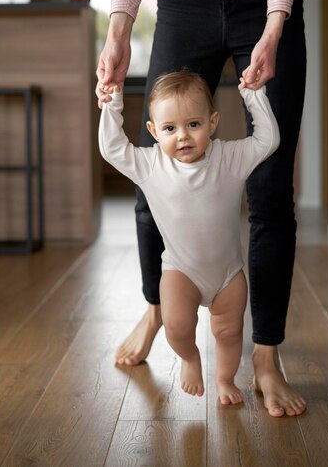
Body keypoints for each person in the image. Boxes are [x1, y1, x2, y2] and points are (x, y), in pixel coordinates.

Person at [96, 0, 317, 417]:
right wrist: (119, 29)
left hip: (266, 2)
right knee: (156, 172)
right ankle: (155, 307)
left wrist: (275, 24)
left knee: (269, 189)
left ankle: (266, 359)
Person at [98, 70, 280, 405]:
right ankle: (190, 358)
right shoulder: (150, 164)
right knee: (177, 326)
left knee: (229, 333)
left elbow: (267, 141)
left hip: (228, 274)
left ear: (212, 123)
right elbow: (112, 149)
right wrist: (112, 105)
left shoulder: (229, 157)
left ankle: (225, 380)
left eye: (193, 125)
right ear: (153, 131)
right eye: (170, 129)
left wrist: (254, 97)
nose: (182, 136)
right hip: (181, 271)